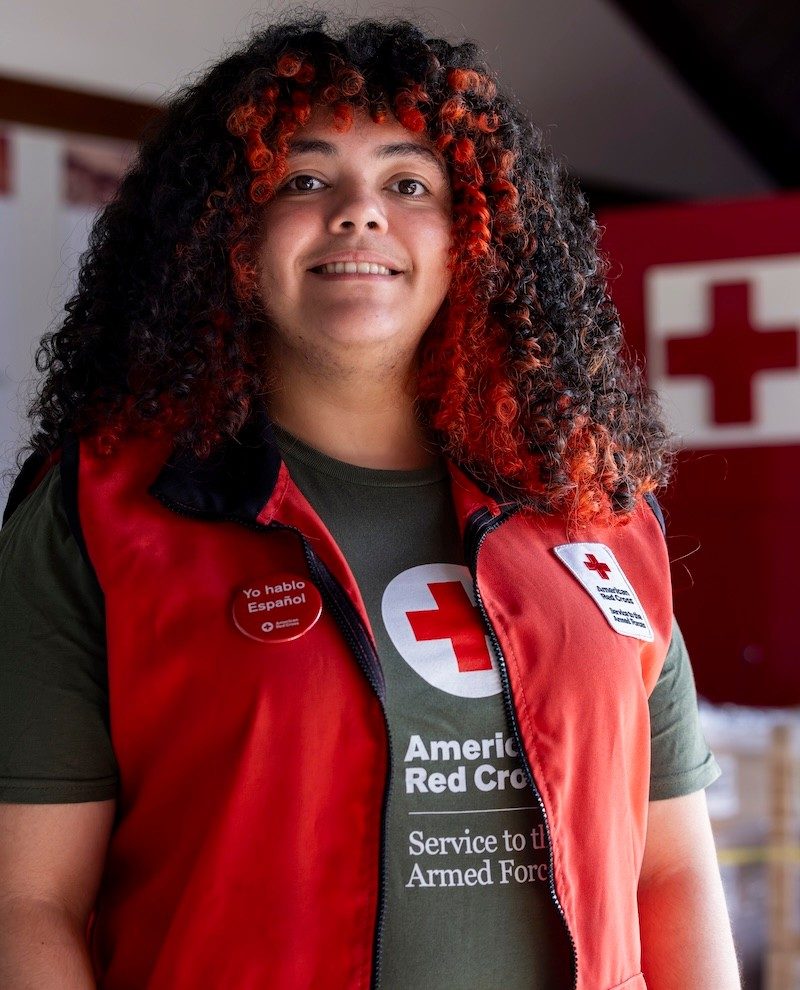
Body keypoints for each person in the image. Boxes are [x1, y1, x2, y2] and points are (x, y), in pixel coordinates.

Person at [0, 13, 741, 990]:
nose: (359, 213)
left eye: (407, 183)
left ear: (475, 235)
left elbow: (672, 873)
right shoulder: (100, 516)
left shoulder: (596, 511)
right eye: (304, 181)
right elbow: (28, 905)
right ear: (225, 233)